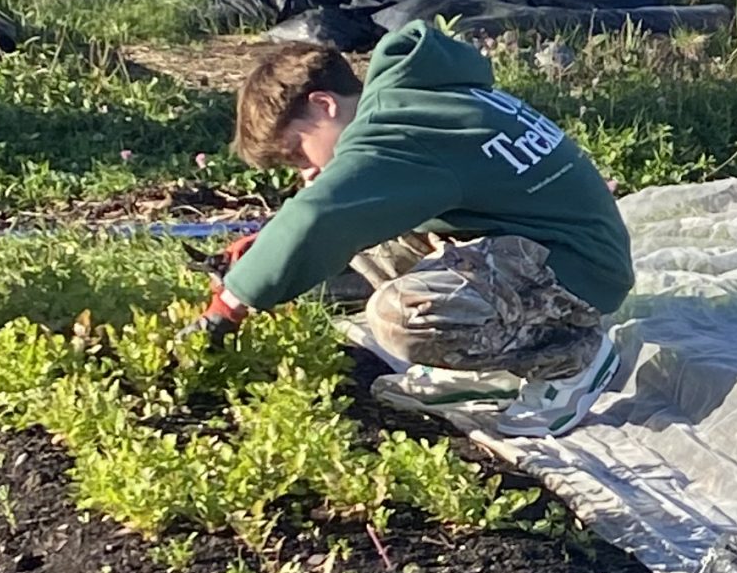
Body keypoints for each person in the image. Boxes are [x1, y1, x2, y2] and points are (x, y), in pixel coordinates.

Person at [207, 27, 636, 424]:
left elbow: (320, 215)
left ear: (324, 105)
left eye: (298, 154)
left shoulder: (397, 132)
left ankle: (570, 361)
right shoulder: (412, 102)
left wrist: (227, 306)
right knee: (361, 225)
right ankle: (484, 366)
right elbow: (347, 209)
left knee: (402, 316)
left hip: (582, 274)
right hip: (559, 248)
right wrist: (273, 243)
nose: (306, 173)